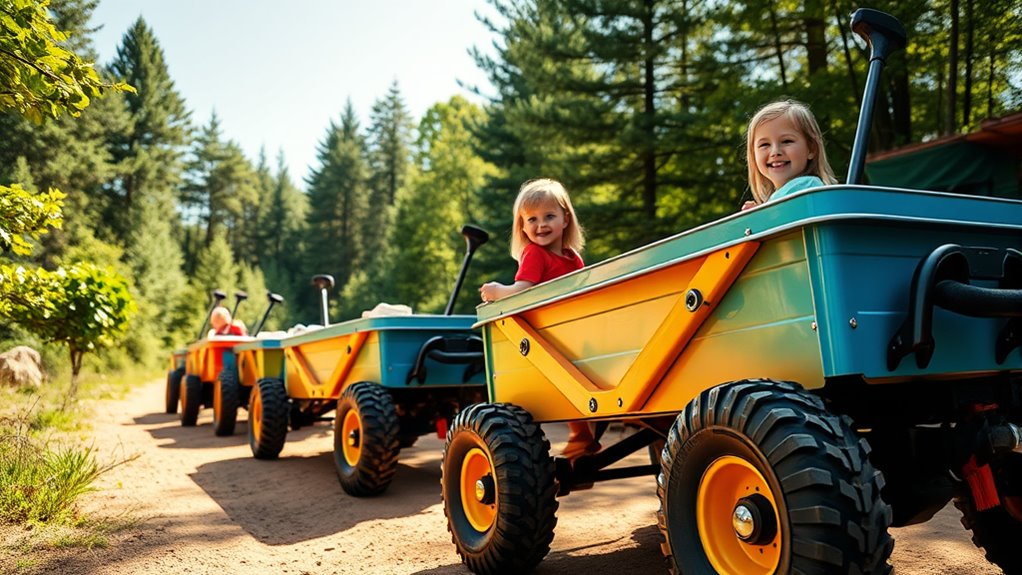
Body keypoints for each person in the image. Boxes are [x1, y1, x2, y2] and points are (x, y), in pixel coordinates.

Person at [479, 178, 598, 459]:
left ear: (565, 219)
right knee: (569, 378)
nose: (541, 224)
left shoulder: (573, 258)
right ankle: (581, 436)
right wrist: (499, 291)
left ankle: (584, 437)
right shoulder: (535, 253)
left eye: (549, 216)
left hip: (569, 327)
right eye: (531, 219)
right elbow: (524, 290)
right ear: (521, 226)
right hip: (543, 334)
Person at [741, 99, 838, 210]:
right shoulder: (778, 199)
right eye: (765, 145)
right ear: (753, 155)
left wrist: (759, 218)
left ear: (811, 149)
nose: (775, 152)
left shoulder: (806, 187)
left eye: (787, 141)